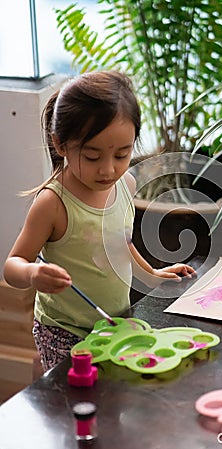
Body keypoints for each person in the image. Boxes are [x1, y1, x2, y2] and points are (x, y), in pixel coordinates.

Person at [3, 70, 196, 372]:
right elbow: (12, 264)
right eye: (92, 157)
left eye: (122, 154)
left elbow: (121, 242)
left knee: (113, 400)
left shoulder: (126, 185)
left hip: (116, 323)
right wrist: (32, 273)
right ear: (60, 144)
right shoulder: (53, 203)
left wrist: (152, 273)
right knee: (76, 404)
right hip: (64, 332)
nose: (108, 170)